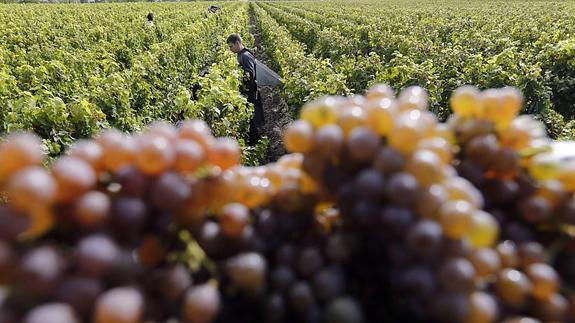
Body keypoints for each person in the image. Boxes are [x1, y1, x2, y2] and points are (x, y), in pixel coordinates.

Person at [227, 34, 264, 145]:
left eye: (231, 46)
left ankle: (255, 142)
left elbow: (250, 74)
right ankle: (254, 139)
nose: (230, 49)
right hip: (247, 92)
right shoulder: (241, 54)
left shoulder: (245, 56)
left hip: (250, 92)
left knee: (251, 118)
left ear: (238, 43)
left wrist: (238, 78)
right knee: (250, 117)